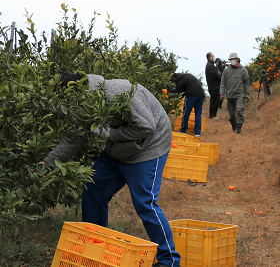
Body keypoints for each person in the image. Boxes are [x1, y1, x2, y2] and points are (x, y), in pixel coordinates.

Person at [44, 72, 180, 267]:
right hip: (117, 151)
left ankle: (170, 260)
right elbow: (75, 137)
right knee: (93, 187)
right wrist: (47, 163)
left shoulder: (120, 92)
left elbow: (147, 126)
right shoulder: (85, 105)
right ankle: (95, 247)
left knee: (145, 203)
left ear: (81, 91)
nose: (72, 107)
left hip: (149, 147)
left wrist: (109, 133)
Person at [219, 52, 251, 133]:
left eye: (234, 59)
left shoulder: (243, 70)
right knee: (232, 114)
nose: (233, 61)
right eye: (231, 60)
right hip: (230, 95)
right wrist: (222, 93)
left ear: (237, 59)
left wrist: (247, 93)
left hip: (240, 94)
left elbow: (246, 82)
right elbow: (223, 82)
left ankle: (239, 127)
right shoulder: (226, 71)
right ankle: (234, 126)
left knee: (239, 110)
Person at [172, 72, 205, 137]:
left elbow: (180, 94)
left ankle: (183, 130)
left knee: (186, 113)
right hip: (201, 94)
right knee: (198, 114)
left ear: (174, 78)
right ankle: (197, 132)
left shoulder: (178, 81)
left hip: (191, 95)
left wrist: (172, 96)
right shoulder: (187, 76)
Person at [205, 53, 222, 119]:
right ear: (210, 58)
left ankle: (213, 114)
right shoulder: (210, 66)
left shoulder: (210, 65)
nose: (214, 57)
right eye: (213, 56)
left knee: (215, 100)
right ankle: (212, 115)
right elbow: (216, 75)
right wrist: (221, 76)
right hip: (214, 86)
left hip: (213, 86)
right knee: (214, 101)